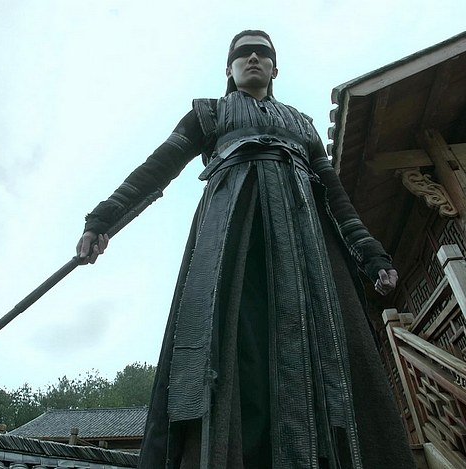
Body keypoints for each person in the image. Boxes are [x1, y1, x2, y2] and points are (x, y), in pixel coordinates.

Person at [77, 30, 415, 469]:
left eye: (263, 53)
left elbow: (336, 197)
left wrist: (371, 255)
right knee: (237, 349)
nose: (253, 58)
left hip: (307, 248)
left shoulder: (303, 126)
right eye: (243, 53)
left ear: (275, 68)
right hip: (233, 240)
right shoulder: (209, 114)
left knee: (327, 347)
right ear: (229, 67)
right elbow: (158, 167)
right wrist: (103, 220)